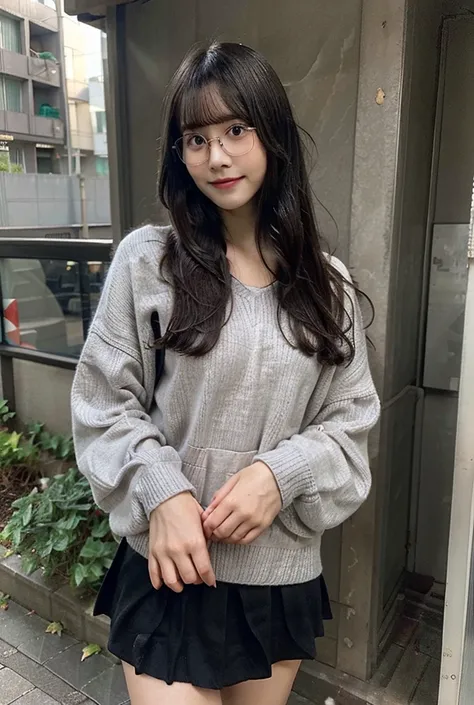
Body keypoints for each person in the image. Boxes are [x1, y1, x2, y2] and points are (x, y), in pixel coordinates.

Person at [71, 41, 380, 705]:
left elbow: (350, 424)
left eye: (236, 130)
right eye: (196, 138)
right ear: (179, 154)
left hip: (278, 575)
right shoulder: (149, 262)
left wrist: (282, 473)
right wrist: (161, 490)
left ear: (272, 134)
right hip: (170, 569)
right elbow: (103, 402)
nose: (216, 156)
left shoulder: (328, 286)